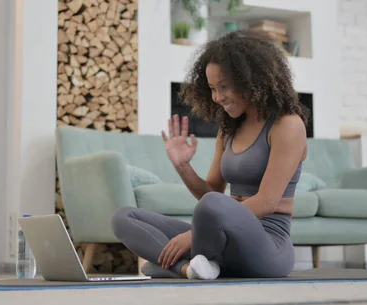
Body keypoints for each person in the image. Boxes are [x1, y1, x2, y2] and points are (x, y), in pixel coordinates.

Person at [111, 29, 309, 280]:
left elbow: (267, 201)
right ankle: (192, 269)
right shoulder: (229, 129)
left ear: (252, 80)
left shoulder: (287, 125)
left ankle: (176, 267)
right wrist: (183, 166)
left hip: (267, 245)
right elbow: (211, 193)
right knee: (124, 217)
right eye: (212, 88)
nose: (217, 98)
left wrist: (192, 235)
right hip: (219, 238)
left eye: (224, 87)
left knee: (212, 206)